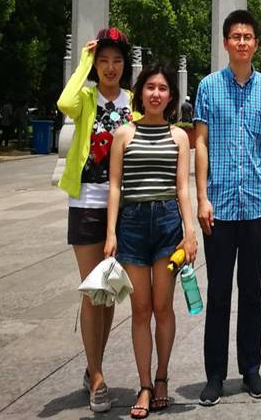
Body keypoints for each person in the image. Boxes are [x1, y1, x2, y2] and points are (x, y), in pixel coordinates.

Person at [194, 9, 261, 406]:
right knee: (218, 293)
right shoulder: (208, 87)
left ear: (256, 44)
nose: (242, 42)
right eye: (236, 36)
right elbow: (200, 143)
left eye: (248, 36)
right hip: (219, 206)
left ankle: (251, 370)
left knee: (251, 292)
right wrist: (201, 197)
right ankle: (215, 375)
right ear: (226, 42)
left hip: (255, 207)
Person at [105, 64, 197, 419]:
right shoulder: (124, 134)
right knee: (140, 310)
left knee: (163, 307)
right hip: (132, 223)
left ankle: (162, 378)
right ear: (140, 92)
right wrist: (111, 232)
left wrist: (189, 231)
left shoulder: (179, 136)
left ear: (171, 96)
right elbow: (116, 186)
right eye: (150, 87)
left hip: (168, 223)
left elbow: (182, 188)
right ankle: (144, 384)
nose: (156, 94)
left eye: (163, 89)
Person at [57, 27, 135, 413]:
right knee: (92, 290)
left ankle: (94, 368)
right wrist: (83, 61)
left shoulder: (132, 102)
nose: (110, 67)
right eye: (103, 60)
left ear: (125, 64)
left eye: (116, 60)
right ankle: (98, 376)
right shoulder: (87, 98)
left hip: (122, 206)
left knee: (109, 291)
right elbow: (64, 101)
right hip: (87, 202)